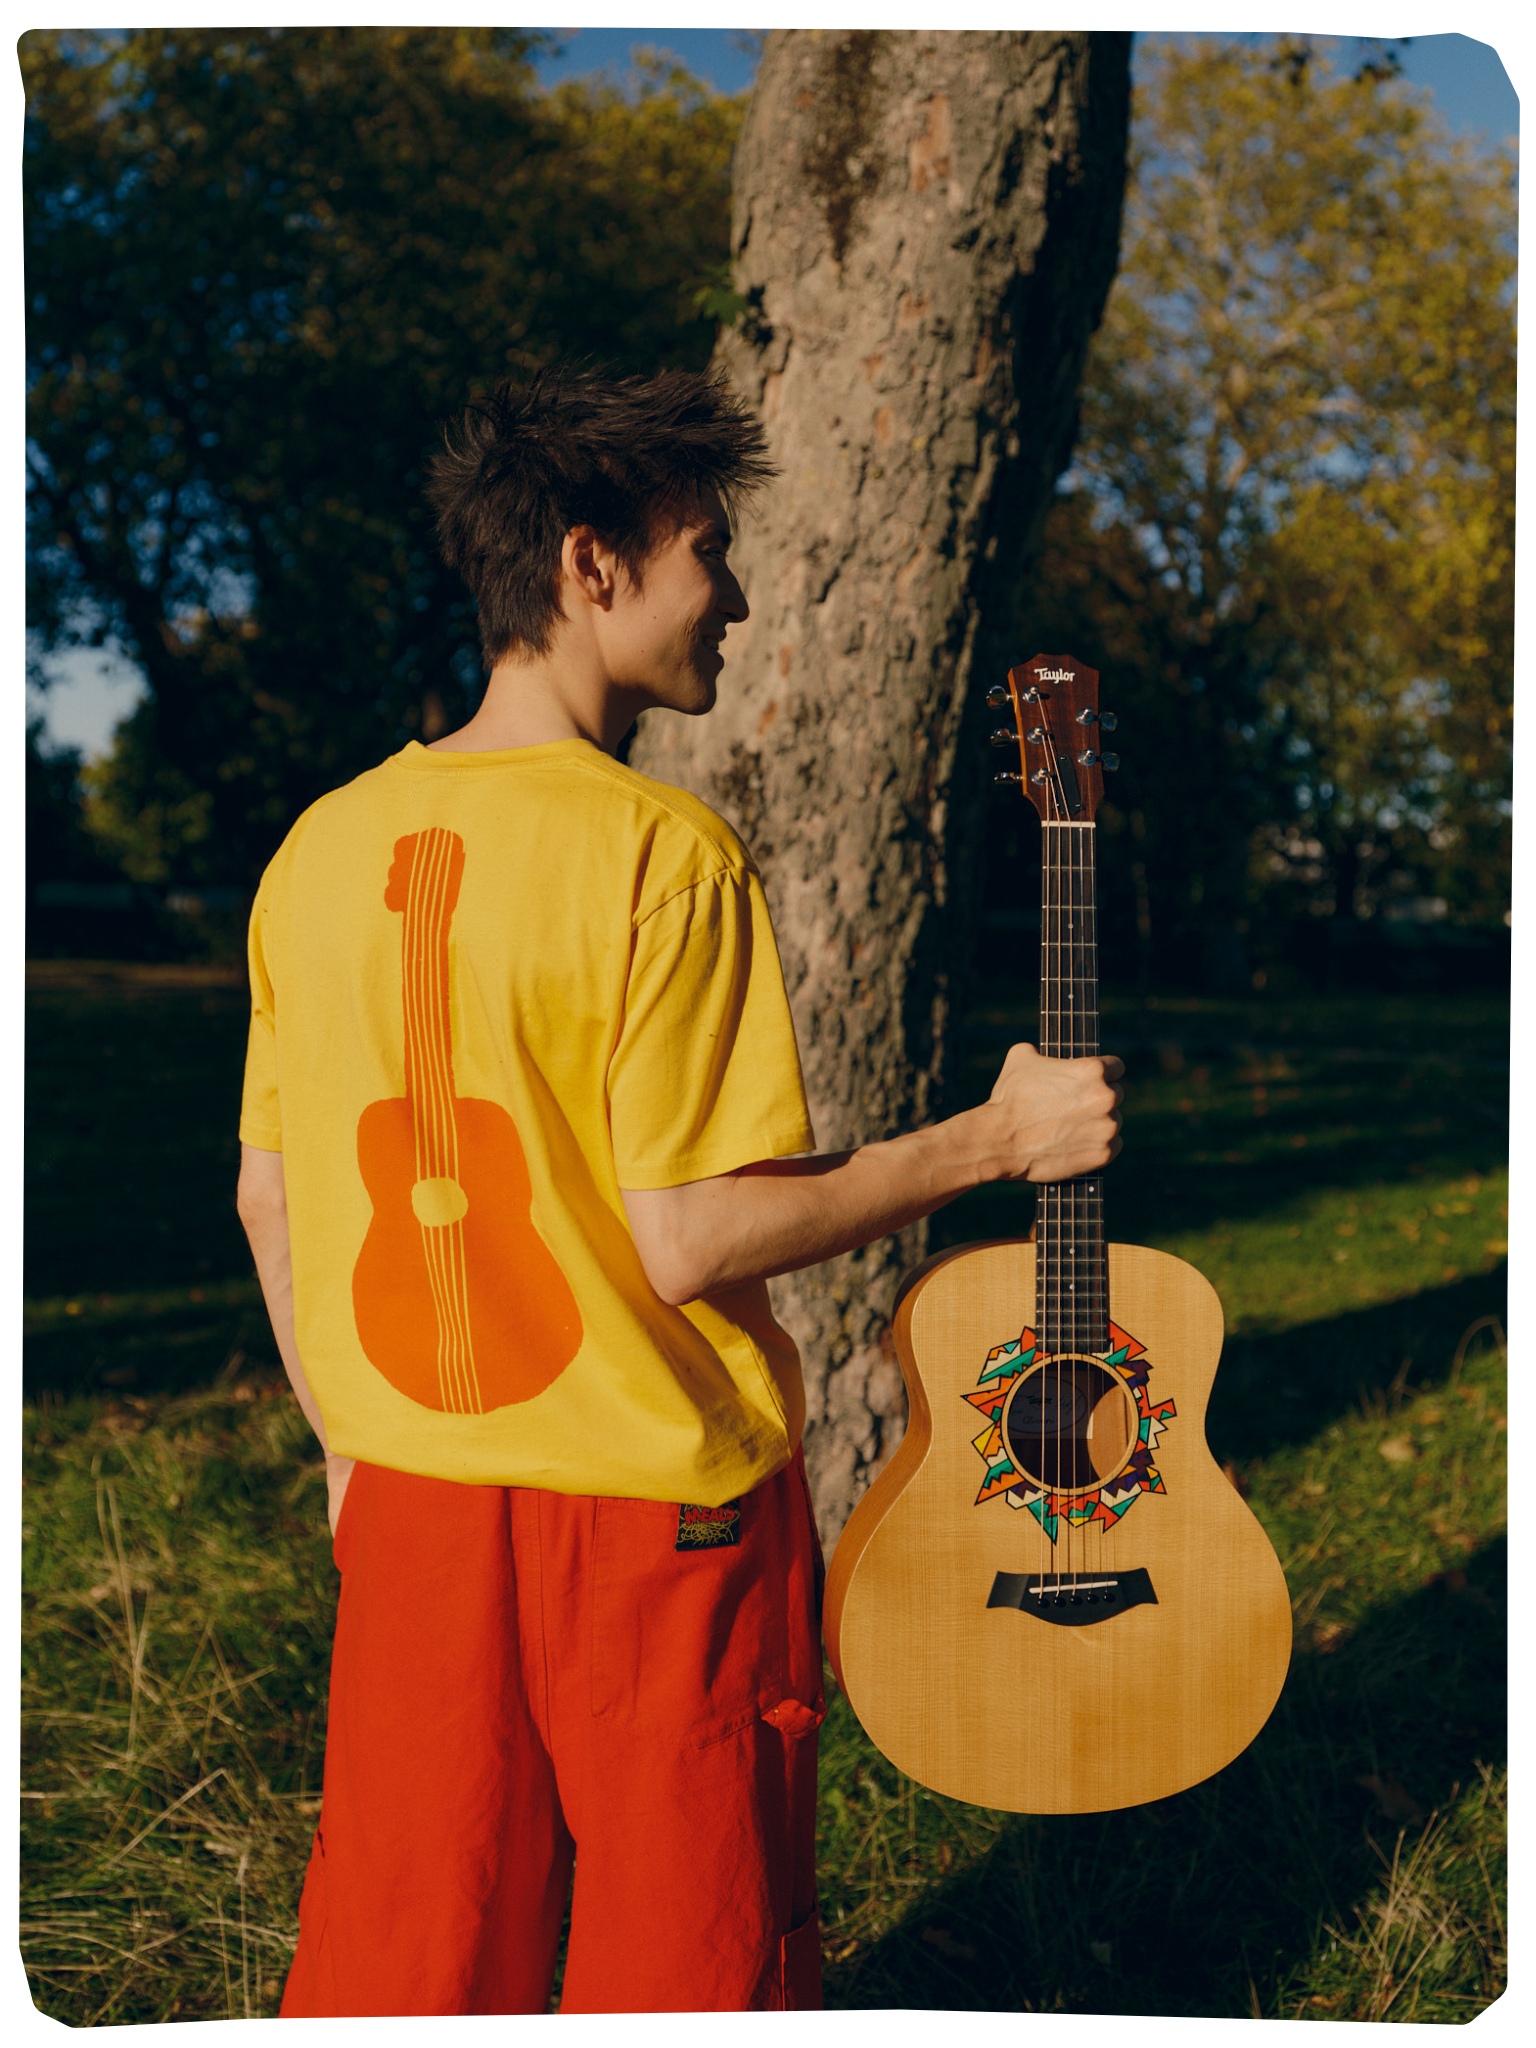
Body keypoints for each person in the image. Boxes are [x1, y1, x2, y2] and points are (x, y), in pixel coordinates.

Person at [235, 368, 1124, 2016]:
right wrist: (989, 1142)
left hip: (411, 1503)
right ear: (593, 566)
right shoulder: (658, 851)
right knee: (687, 1946)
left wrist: (350, 1444)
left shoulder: (318, 849)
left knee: (412, 1940)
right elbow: (691, 1238)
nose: (734, 595)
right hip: (658, 1527)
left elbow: (269, 1202)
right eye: (709, 548)